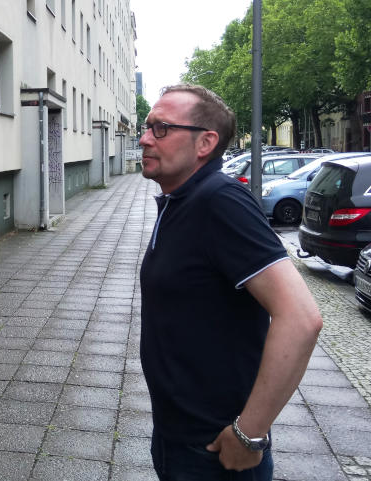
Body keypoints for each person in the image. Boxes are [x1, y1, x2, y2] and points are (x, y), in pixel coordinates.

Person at [138, 84, 323, 480]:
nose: (145, 138)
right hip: (177, 435)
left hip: (214, 452)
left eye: (161, 128)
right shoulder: (181, 201)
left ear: (205, 143)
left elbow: (301, 318)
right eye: (147, 126)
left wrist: (249, 434)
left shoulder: (219, 201)